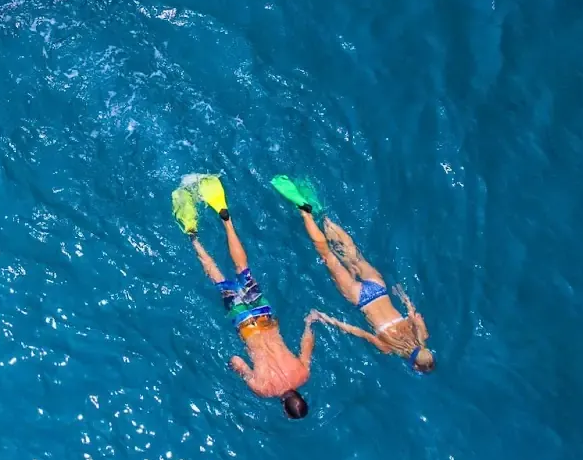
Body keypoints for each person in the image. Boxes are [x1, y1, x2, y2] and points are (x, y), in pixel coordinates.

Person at [173, 175, 314, 418]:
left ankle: (226, 221)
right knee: (219, 281)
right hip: (245, 325)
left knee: (244, 270)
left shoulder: (303, 374)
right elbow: (237, 360)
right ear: (283, 406)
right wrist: (235, 367)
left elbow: (306, 343)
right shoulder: (263, 389)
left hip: (264, 314)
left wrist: (310, 322)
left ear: (301, 396)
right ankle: (193, 237)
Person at [271, 176, 435, 371]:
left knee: (353, 253)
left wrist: (403, 296)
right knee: (328, 256)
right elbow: (358, 331)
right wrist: (325, 318)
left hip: (379, 289)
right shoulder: (388, 347)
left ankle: (325, 219)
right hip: (361, 298)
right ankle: (306, 214)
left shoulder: (421, 335)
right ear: (414, 365)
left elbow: (412, 312)